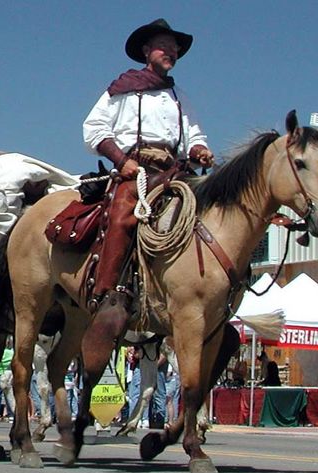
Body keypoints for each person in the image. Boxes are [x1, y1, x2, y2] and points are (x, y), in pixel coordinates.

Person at [82, 18, 214, 340]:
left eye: (175, 48)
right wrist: (121, 160)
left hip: (174, 170)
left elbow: (193, 134)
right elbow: (93, 128)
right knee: (123, 212)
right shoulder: (122, 89)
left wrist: (199, 149)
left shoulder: (179, 96)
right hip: (136, 169)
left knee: (210, 210)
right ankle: (107, 293)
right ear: (146, 51)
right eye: (164, 46)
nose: (172, 52)